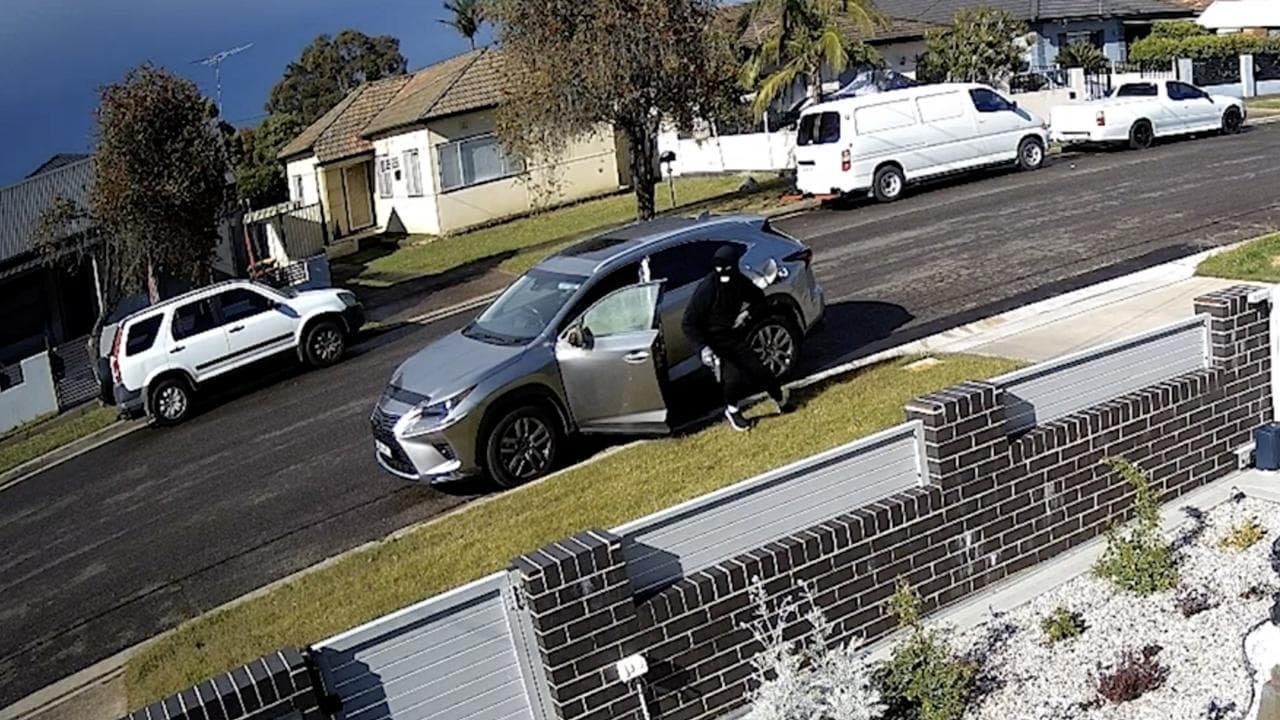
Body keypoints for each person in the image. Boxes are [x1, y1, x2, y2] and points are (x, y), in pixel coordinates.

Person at [682, 244, 792, 431]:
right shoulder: (707, 288)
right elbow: (689, 323)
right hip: (712, 340)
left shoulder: (739, 282)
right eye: (719, 269)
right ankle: (732, 411)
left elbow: (759, 300)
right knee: (732, 377)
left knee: (759, 369)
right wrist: (702, 347)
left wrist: (746, 314)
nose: (723, 273)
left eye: (727, 268)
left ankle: (780, 400)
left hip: (732, 336)